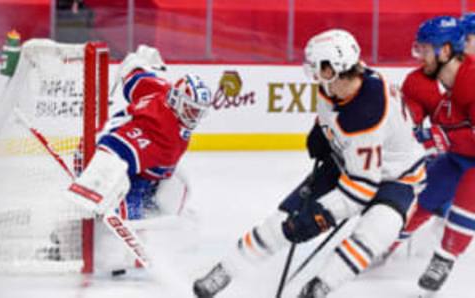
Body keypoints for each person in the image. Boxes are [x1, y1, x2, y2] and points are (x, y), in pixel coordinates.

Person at [192, 29, 426, 298]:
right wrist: (324, 133)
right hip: (346, 162)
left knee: (374, 234)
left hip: (396, 177)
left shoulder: (366, 115)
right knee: (284, 220)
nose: (314, 75)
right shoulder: (339, 87)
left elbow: (362, 189)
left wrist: (320, 215)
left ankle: (318, 288)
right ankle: (227, 269)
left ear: (334, 69)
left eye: (319, 68)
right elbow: (332, 119)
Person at [65, 45, 212, 223]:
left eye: (198, 112)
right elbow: (116, 149)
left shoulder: (160, 90)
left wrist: (139, 60)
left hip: (131, 166)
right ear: (177, 99)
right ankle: (81, 232)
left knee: (178, 187)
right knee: (131, 219)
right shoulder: (163, 131)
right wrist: (92, 184)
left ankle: (147, 213)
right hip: (99, 164)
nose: (194, 116)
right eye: (191, 109)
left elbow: (134, 76)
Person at [382, 15, 475, 294]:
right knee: (421, 198)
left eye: (425, 48)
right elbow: (408, 122)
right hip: (455, 157)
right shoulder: (417, 82)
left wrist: (441, 136)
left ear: (446, 50)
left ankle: (444, 259)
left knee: (467, 197)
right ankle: (381, 245)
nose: (419, 54)